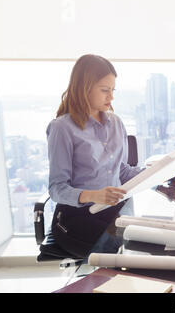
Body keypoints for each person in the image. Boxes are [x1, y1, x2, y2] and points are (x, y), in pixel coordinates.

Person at [46, 54, 144, 258]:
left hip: (112, 211)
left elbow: (122, 170)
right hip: (76, 217)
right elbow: (57, 188)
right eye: (104, 90)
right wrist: (94, 195)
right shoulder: (62, 128)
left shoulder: (116, 123)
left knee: (145, 243)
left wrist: (157, 175)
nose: (111, 97)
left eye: (112, 90)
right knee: (121, 252)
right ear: (84, 88)